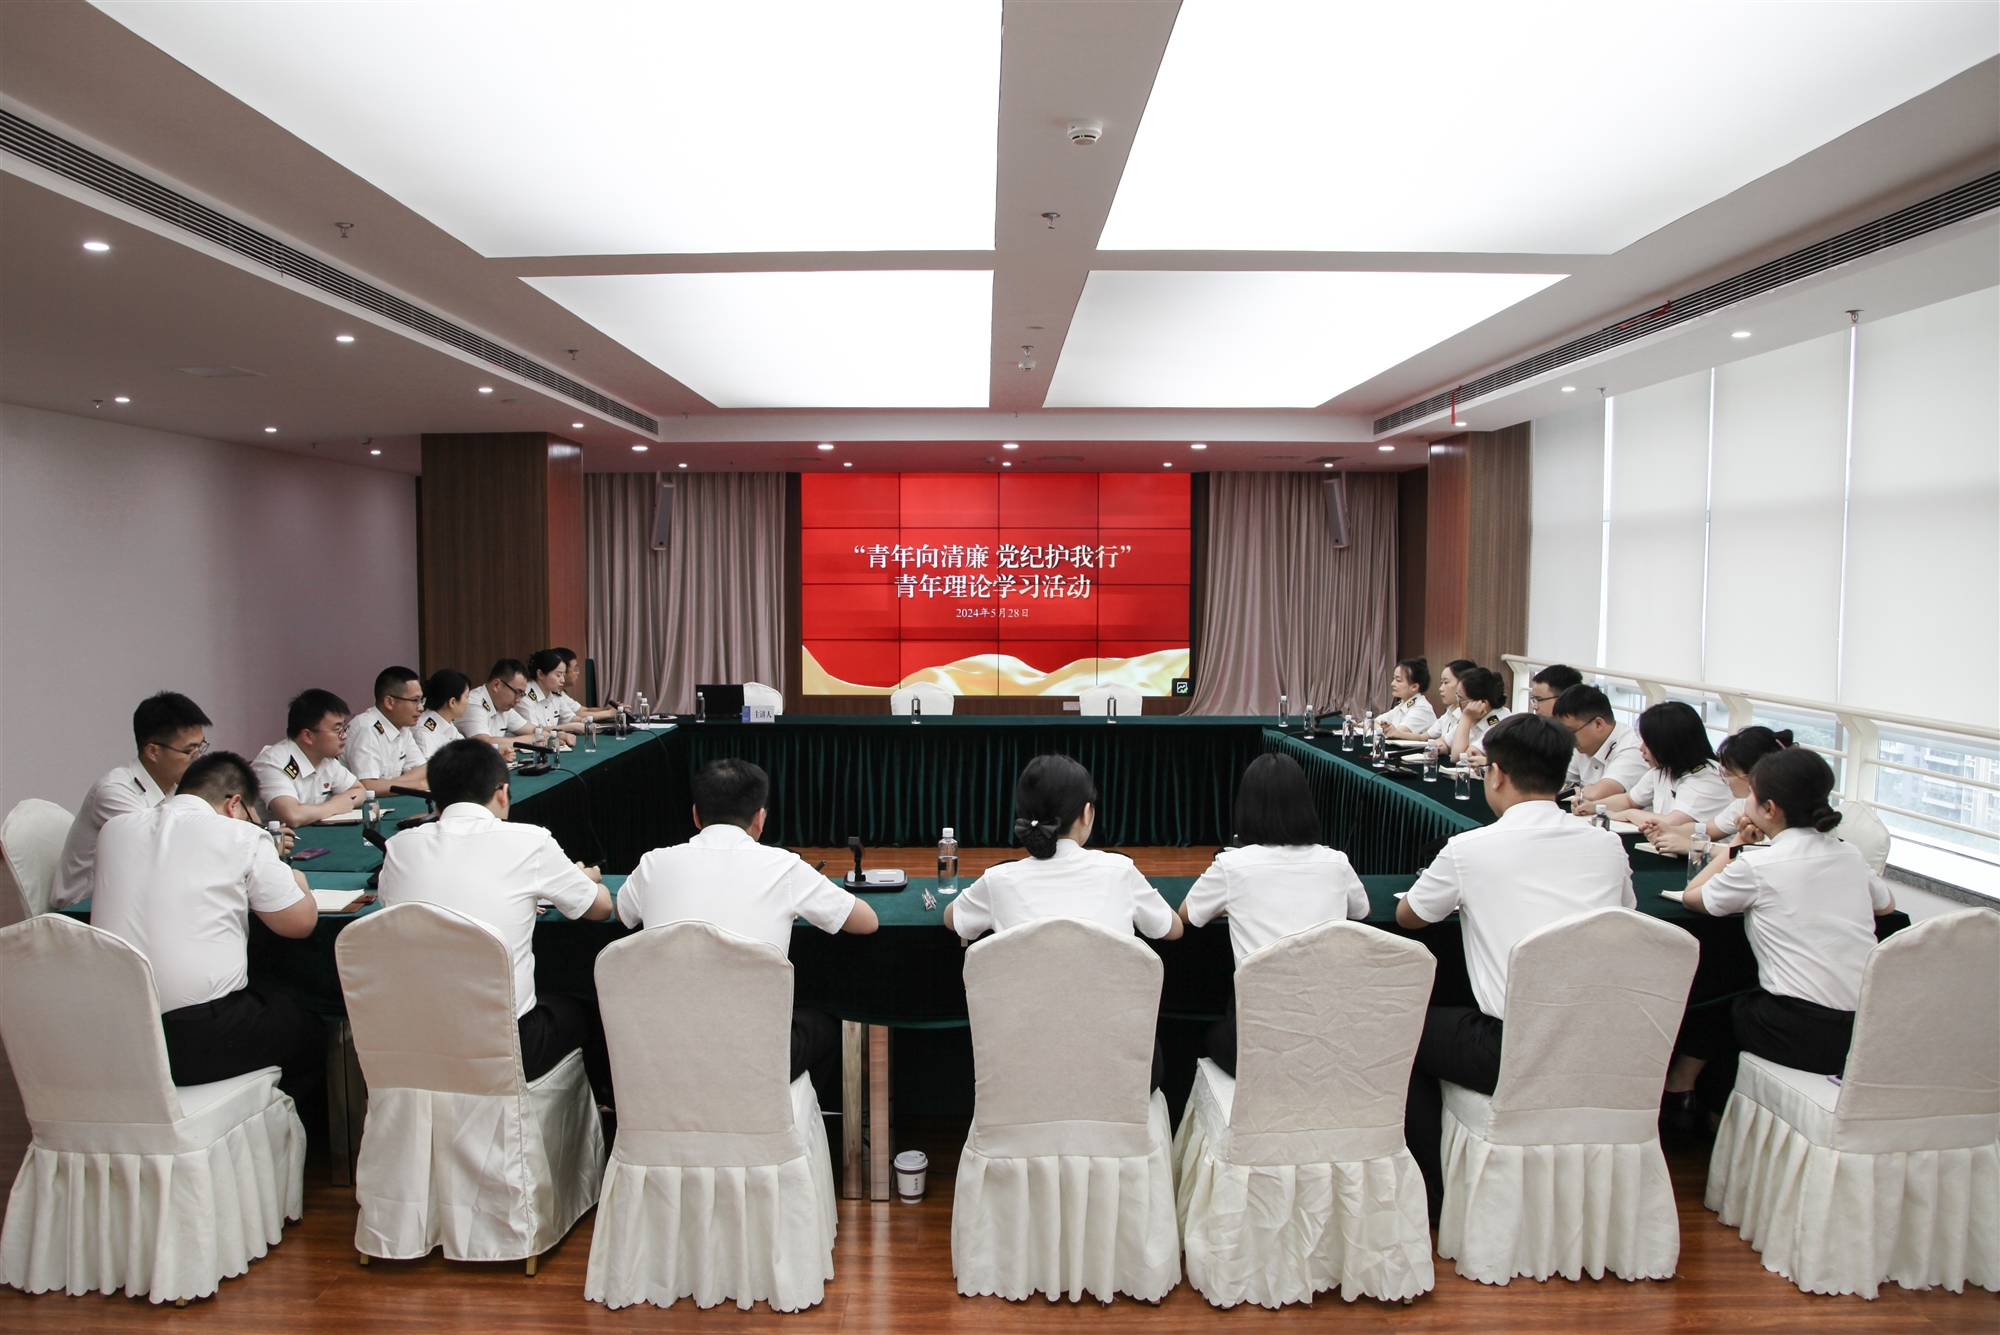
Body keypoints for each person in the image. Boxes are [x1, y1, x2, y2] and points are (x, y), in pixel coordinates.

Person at [1396, 713, 1635, 1222]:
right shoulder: (1608, 845)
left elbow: (1410, 917)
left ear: (1497, 774)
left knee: (1401, 1030)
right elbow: (1627, 918)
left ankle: (1435, 1196)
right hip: (1605, 1043)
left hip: (1513, 1050)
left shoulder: (1470, 849)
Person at [616, 758, 878, 1101]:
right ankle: (787, 1117)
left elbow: (623, 913)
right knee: (826, 1024)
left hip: (662, 1056)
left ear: (695, 816)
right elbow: (866, 922)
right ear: (760, 819)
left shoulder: (653, 863)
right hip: (755, 1060)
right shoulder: (784, 867)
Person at [90, 751, 324, 1133]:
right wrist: (299, 882)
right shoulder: (242, 835)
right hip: (197, 1038)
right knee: (308, 1024)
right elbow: (298, 924)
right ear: (235, 804)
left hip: (115, 1037)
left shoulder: (114, 830)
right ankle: (283, 1142)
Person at [1663, 748, 1896, 1123]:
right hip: (1865, 1028)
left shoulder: (1758, 864)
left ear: (1769, 809)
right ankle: (1701, 1102)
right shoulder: (1849, 853)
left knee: (1721, 996)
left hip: (1801, 1033)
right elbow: (1886, 908)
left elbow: (1693, 897)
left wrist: (1735, 847)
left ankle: (1696, 1098)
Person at [376, 739, 616, 1101]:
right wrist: (584, 877)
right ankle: (602, 1109)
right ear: (502, 793)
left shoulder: (399, 847)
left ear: (435, 799)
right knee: (584, 1008)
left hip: (412, 1038)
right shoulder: (530, 841)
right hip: (507, 1045)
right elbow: (600, 908)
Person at [945, 755, 1182, 1086]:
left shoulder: (999, 880)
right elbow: (1172, 929)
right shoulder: (1120, 871)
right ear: (1087, 813)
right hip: (1122, 1071)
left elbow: (953, 919)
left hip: (1025, 1069)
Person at [1179, 752, 1370, 1076]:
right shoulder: (1336, 862)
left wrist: (1229, 904)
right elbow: (1362, 911)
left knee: (1208, 1036)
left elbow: (1188, 914)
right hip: (1331, 1036)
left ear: (1246, 808)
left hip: (1260, 1039)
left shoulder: (1232, 865)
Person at [52, 691, 212, 910]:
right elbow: (162, 854)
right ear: (153, 751)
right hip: (85, 909)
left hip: (130, 899)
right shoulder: (115, 792)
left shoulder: (176, 786)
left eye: (201, 747)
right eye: (189, 751)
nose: (198, 758)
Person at [1647, 726, 1792, 855]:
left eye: (1728, 774)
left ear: (1753, 775)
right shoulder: (1742, 804)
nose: (1725, 781)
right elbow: (1708, 829)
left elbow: (1764, 855)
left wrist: (1696, 847)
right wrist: (1670, 829)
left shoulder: (1784, 812)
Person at [1601, 700, 1735, 831]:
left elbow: (1671, 824)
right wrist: (1593, 806)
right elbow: (1629, 800)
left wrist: (1628, 814)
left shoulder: (1708, 778)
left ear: (1668, 744)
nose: (1641, 749)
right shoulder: (1664, 769)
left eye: (1648, 743)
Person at [253, 688, 368, 827]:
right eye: (337, 730)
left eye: (343, 728)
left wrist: (341, 802)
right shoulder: (273, 764)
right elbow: (292, 816)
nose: (344, 736)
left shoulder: (326, 760)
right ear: (307, 736)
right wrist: (335, 806)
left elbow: (359, 790)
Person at [1553, 684, 1649, 808]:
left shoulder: (1633, 747)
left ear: (1598, 724)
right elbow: (1548, 781)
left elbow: (1597, 795)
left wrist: (1572, 790)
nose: (1567, 739)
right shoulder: (1582, 743)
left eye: (1570, 732)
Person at [342, 666, 430, 794]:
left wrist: (389, 784)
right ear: (389, 702)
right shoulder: (366, 728)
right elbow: (368, 786)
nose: (421, 708)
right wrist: (417, 785)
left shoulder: (403, 728)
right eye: (415, 700)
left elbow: (423, 769)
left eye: (421, 700)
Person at [1386, 659, 1474, 742]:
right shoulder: (1449, 712)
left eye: (1446, 682)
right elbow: (1422, 737)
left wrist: (1396, 732)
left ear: (1463, 684)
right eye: (1441, 683)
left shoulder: (1422, 708)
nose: (1440, 688)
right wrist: (1395, 732)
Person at [458, 659, 535, 748]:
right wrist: (531, 739)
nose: (518, 700)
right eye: (517, 692)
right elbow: (483, 743)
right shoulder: (473, 703)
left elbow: (532, 730)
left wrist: (543, 733)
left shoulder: (504, 706)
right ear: (496, 685)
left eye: (521, 694)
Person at [1445, 665, 1509, 761]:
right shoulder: (1475, 716)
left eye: (1461, 700)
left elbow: (1458, 757)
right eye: (1457, 697)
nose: (1458, 704)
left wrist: (1466, 717)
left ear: (1482, 703)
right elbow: (1444, 742)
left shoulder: (1501, 724)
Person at [410, 668, 474, 762]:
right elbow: (429, 769)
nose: (469, 702)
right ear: (452, 702)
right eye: (467, 697)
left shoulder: (450, 727)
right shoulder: (424, 732)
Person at [518, 649, 583, 740]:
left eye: (563, 675)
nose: (562, 680)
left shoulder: (554, 694)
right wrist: (571, 727)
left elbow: (570, 717)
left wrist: (586, 722)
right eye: (558, 675)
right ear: (540, 674)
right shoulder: (525, 697)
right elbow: (535, 731)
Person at [552, 647, 621, 723]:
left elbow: (582, 710)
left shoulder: (561, 694)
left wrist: (607, 709)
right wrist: (609, 713)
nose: (578, 673)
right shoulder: (552, 694)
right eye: (575, 669)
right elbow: (576, 715)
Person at [1378, 658, 1436, 734]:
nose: (1392, 683)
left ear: (1414, 687)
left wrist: (1381, 728)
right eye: (1394, 679)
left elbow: (1394, 733)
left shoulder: (1422, 709)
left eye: (1398, 680)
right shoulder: (1402, 705)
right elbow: (1374, 722)